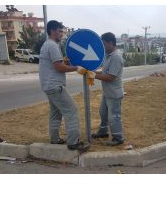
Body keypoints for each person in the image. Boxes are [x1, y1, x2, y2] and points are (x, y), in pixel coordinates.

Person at [39, 20, 89, 152]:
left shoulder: (47, 45)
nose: (62, 34)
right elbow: (59, 67)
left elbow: (57, 63)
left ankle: (54, 139)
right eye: (60, 31)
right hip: (55, 86)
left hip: (48, 86)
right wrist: (76, 68)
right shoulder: (53, 46)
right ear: (53, 31)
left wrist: (64, 61)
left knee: (55, 114)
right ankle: (73, 142)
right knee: (71, 111)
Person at [92, 32, 125, 146]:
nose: (103, 47)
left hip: (114, 94)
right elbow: (105, 71)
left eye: (104, 44)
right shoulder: (108, 55)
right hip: (107, 93)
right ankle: (103, 131)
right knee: (103, 113)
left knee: (114, 116)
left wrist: (93, 75)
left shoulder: (116, 57)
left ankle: (118, 137)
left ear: (111, 43)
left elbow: (110, 77)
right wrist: (93, 72)